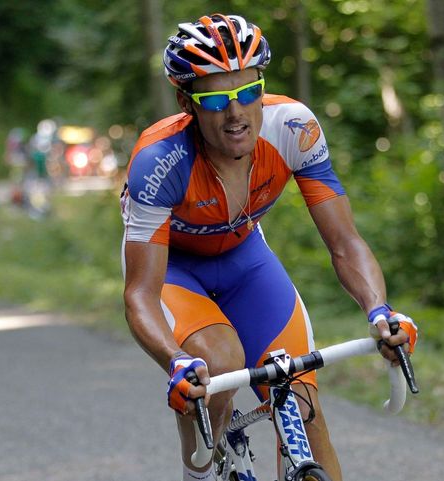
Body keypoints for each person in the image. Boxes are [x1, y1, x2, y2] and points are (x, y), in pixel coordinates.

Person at [120, 13, 418, 481]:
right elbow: (139, 293)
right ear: (186, 102)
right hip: (174, 269)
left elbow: (344, 243)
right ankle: (199, 464)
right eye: (216, 98)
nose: (236, 113)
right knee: (218, 364)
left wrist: (380, 311)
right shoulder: (160, 161)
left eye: (248, 92)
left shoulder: (293, 127)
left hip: (245, 260)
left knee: (303, 407)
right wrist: (177, 363)